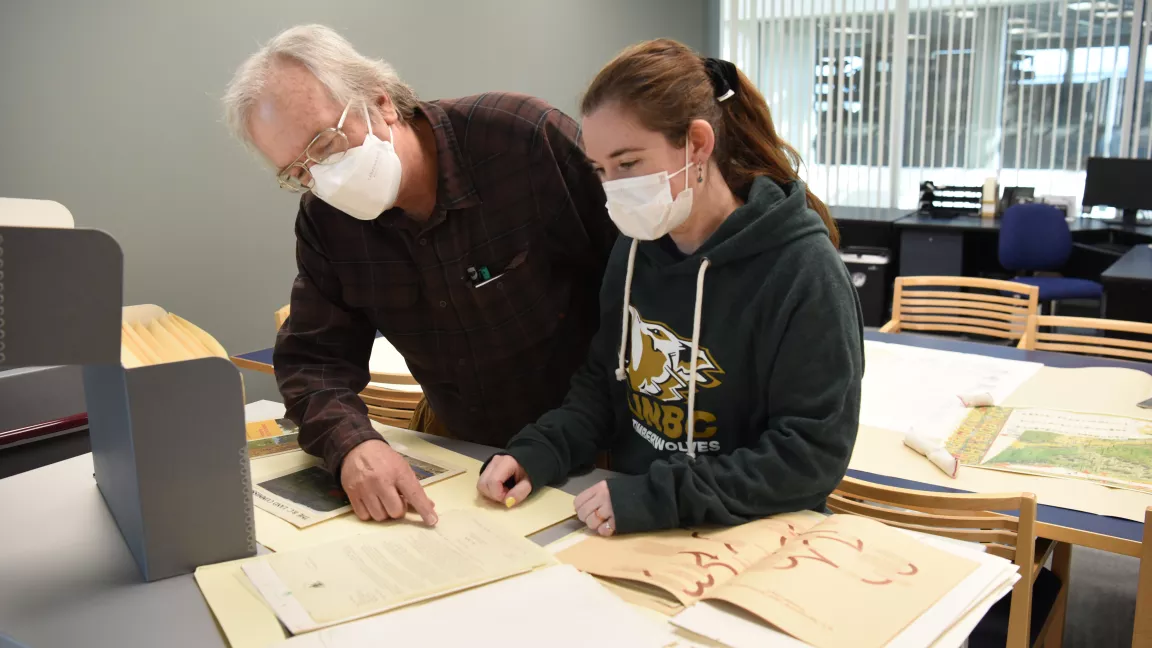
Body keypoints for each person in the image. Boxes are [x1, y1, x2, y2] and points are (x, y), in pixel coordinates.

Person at [222, 25, 616, 526]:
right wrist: (353, 445)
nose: (322, 177)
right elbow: (312, 360)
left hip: (593, 448)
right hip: (461, 451)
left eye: (322, 143)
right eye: (298, 170)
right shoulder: (327, 221)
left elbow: (639, 290)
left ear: (381, 103)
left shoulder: (524, 140)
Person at [478, 39, 864, 536]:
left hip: (754, 534)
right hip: (640, 524)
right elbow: (603, 383)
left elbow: (809, 456)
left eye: (629, 163)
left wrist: (660, 497)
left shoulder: (803, 269)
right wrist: (538, 451)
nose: (613, 187)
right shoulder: (635, 247)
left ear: (697, 145)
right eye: (601, 170)